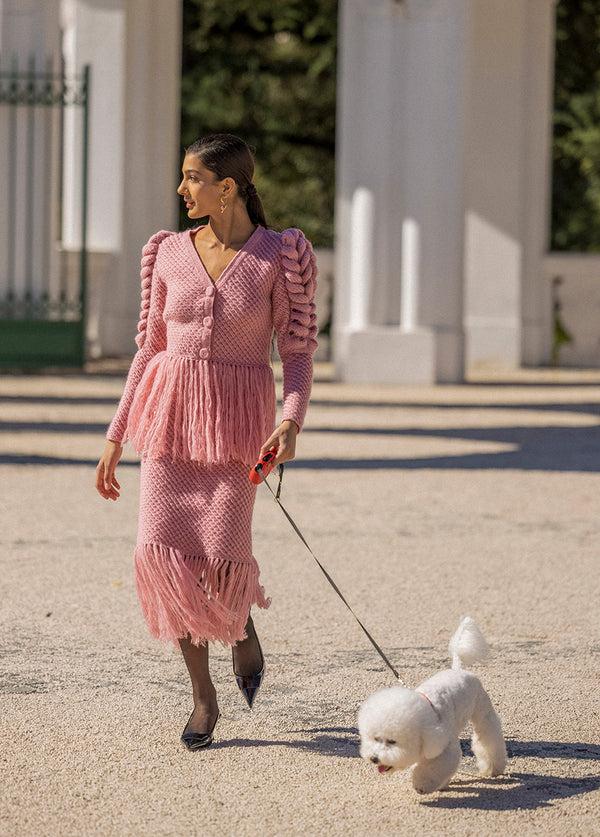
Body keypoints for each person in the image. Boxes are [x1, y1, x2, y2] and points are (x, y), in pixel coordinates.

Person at [94, 132, 319, 751]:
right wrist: (117, 435)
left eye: (192, 178)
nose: (181, 189)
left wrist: (291, 420)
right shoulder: (166, 252)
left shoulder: (280, 254)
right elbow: (150, 349)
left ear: (228, 187)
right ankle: (202, 696)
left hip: (238, 435)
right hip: (166, 425)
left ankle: (241, 625)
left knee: (220, 559)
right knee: (166, 557)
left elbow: (296, 353)